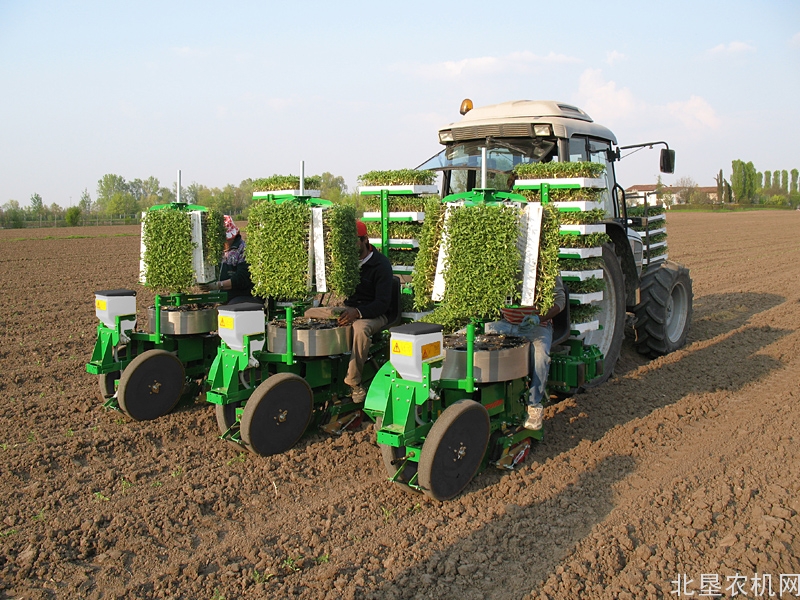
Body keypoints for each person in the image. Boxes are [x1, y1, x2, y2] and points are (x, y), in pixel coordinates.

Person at [304, 220, 394, 403]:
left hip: (375, 313)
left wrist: (358, 313)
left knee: (360, 329)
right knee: (310, 313)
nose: (348, 246)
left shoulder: (381, 265)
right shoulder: (348, 263)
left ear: (364, 240)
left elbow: (383, 303)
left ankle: (354, 382)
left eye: (352, 241)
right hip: (349, 308)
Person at [484, 276, 566, 430]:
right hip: (507, 323)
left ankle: (534, 405)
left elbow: (560, 301)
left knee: (541, 356)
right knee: (473, 340)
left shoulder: (546, 268)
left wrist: (538, 318)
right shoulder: (502, 265)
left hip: (537, 325)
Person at [202, 215, 260, 305]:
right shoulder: (214, 249)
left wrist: (219, 285)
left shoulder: (243, 249)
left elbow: (242, 279)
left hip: (239, 297)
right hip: (217, 297)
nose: (224, 242)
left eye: (226, 239)